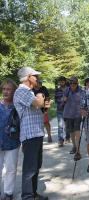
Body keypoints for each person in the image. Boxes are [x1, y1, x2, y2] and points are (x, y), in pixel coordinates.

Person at [13, 67, 50, 200]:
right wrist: (40, 94)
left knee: (35, 166)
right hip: (30, 135)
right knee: (30, 168)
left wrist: (44, 108)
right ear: (28, 77)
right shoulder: (22, 91)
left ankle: (33, 194)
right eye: (35, 76)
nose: (38, 79)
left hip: (36, 133)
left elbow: (39, 108)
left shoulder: (29, 92)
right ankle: (27, 196)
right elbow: (38, 102)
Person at [0, 79, 21, 200]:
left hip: (13, 143)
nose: (5, 91)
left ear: (14, 92)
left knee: (11, 169)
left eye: (9, 89)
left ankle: (8, 193)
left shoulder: (17, 107)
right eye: (4, 89)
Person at [63, 76, 83, 161]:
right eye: (71, 83)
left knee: (77, 132)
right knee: (71, 132)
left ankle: (78, 151)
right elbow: (63, 100)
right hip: (68, 114)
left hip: (77, 114)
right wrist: (64, 98)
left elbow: (84, 101)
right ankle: (74, 146)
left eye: (74, 83)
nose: (72, 84)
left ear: (77, 83)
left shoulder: (81, 91)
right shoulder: (67, 90)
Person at [54, 76, 68, 147]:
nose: (61, 82)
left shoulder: (68, 89)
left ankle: (67, 137)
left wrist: (66, 100)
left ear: (65, 81)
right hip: (60, 110)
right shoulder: (57, 90)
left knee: (67, 125)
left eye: (62, 81)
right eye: (60, 81)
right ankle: (60, 140)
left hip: (68, 110)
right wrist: (62, 100)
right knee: (60, 126)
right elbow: (56, 100)